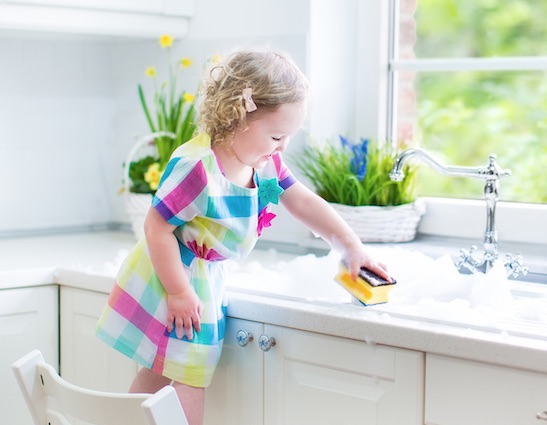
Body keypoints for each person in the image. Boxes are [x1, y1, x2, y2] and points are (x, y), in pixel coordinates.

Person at [95, 49, 392, 425]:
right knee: (189, 374)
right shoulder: (197, 169)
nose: (283, 146)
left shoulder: (263, 162)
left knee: (160, 369)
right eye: (277, 135)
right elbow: (156, 227)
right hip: (173, 275)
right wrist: (179, 292)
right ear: (237, 117)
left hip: (203, 276)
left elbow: (301, 201)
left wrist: (351, 245)